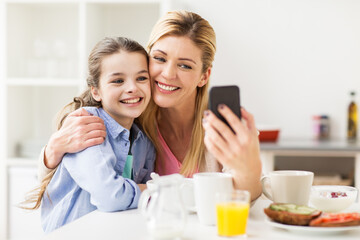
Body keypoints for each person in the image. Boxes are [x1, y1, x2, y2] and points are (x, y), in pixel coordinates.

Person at [38, 10, 262, 201]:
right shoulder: (129, 118)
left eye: (184, 66)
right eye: (160, 59)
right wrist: (52, 152)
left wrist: (250, 169)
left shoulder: (218, 130)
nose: (168, 74)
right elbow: (59, 185)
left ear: (204, 76)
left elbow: (244, 197)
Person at [29, 37, 155, 233]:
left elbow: (147, 202)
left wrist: (149, 190)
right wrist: (155, 189)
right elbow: (110, 196)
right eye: (118, 80)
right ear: (96, 91)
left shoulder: (144, 142)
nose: (132, 87)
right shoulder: (86, 126)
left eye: (141, 78)